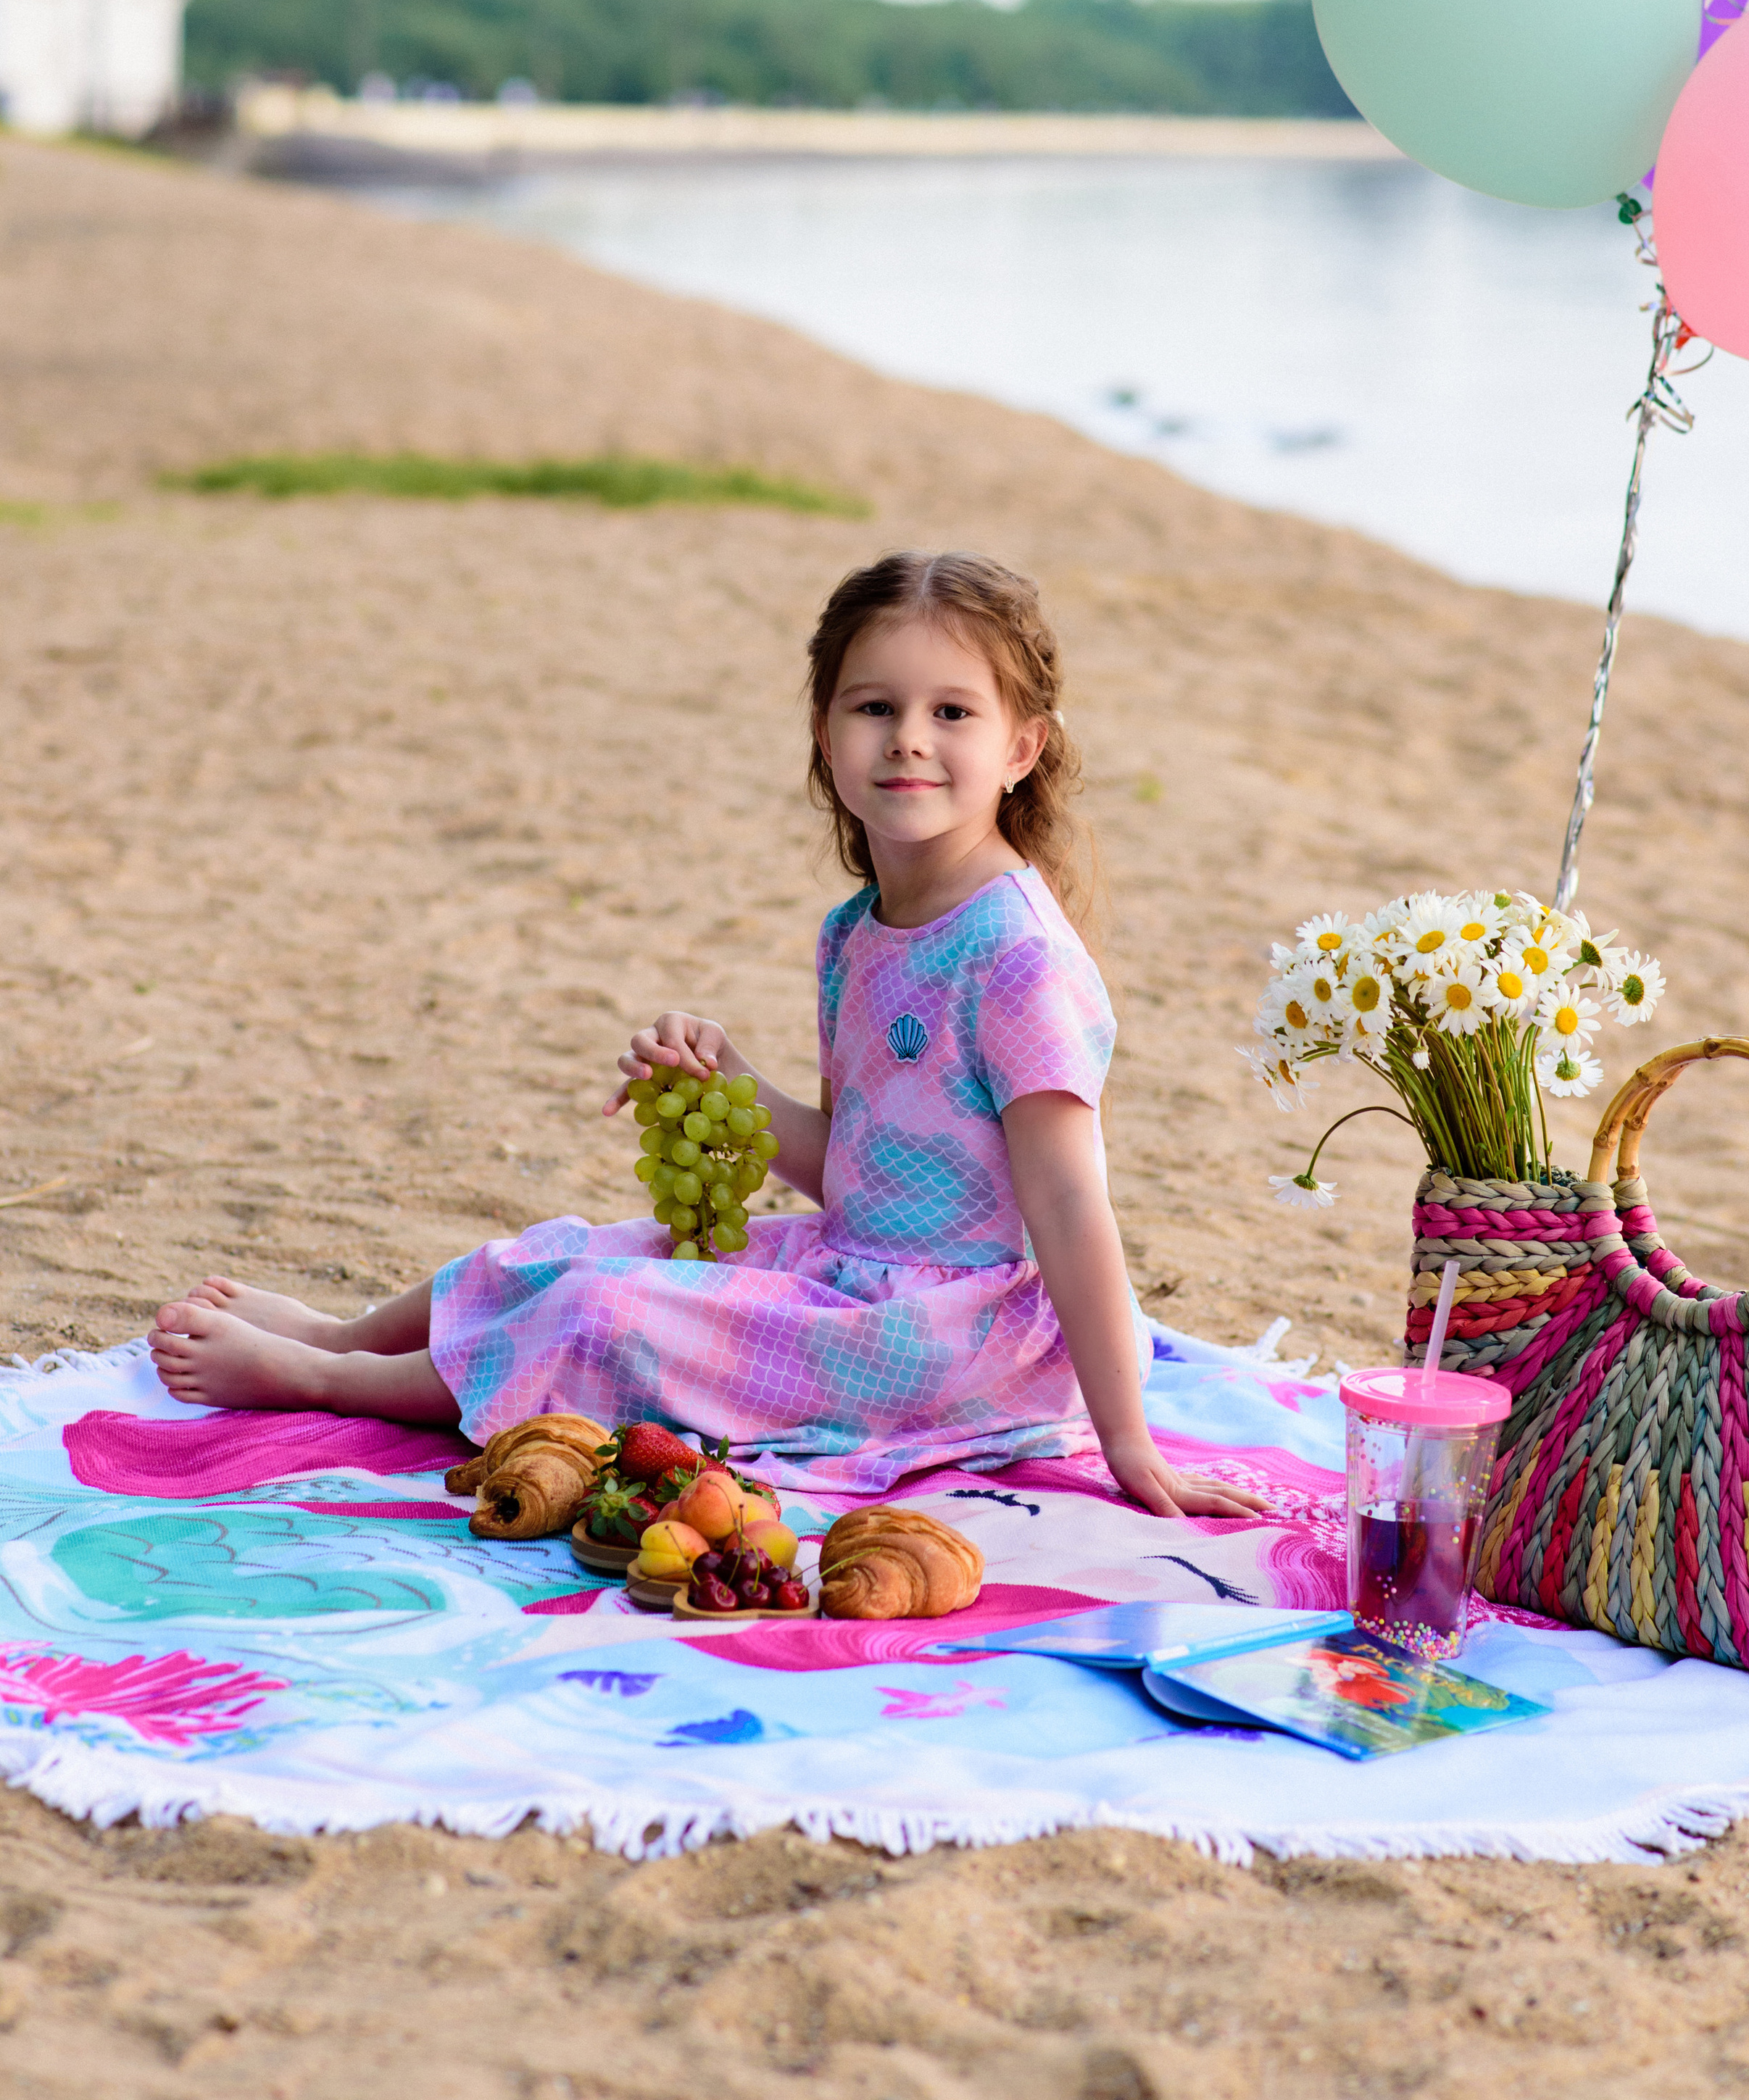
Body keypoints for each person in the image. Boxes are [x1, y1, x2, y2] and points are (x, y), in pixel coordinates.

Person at [148, 549, 1261, 1518]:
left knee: (601, 1313)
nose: (909, 740)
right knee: (576, 1250)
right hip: (855, 1277)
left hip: (955, 1341)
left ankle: (324, 1382)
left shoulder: (1016, 957)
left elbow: (1069, 1209)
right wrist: (732, 1086)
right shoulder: (858, 933)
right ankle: (350, 1335)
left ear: (1024, 745)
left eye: (952, 713)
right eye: (874, 707)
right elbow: (859, 1170)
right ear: (826, 732)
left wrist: (1128, 1441)